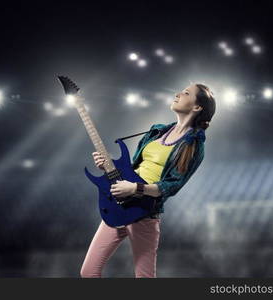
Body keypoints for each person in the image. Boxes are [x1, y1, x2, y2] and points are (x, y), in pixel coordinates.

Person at [80, 83, 216, 278]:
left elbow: (171, 186)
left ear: (197, 107)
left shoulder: (193, 145)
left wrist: (135, 188)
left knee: (144, 277)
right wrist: (108, 167)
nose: (178, 94)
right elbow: (132, 168)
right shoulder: (156, 131)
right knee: (88, 272)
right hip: (119, 206)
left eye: (186, 93)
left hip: (145, 212)